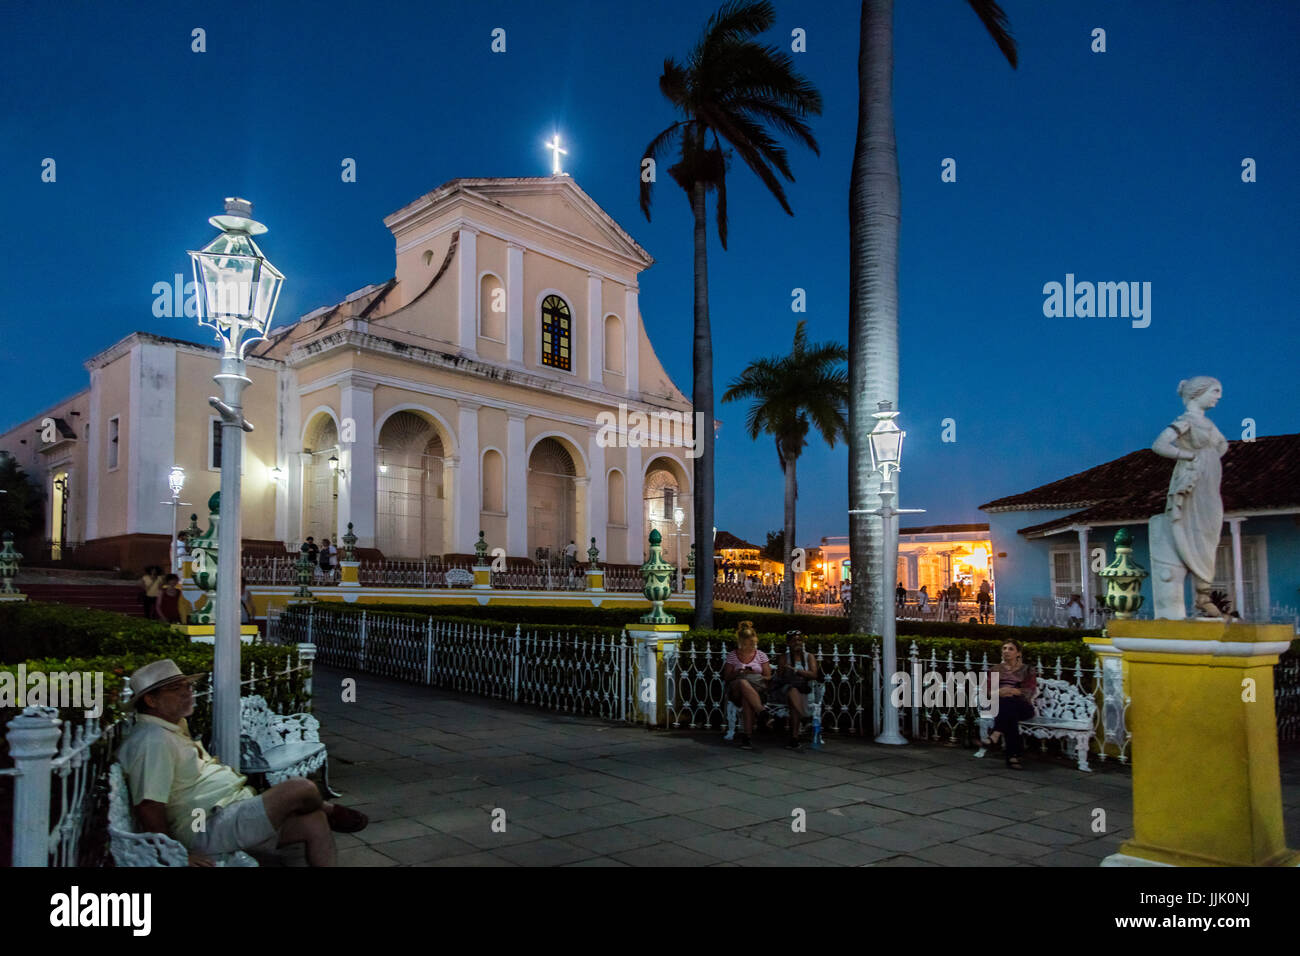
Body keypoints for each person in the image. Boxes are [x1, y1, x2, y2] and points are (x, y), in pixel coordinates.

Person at [116, 659, 368, 867]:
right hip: (204, 824)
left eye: (187, 687)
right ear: (151, 701)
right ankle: (330, 809)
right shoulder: (152, 740)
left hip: (230, 810)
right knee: (300, 788)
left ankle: (324, 814)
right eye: (176, 689)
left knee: (314, 822)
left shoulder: (172, 727)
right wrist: (178, 855)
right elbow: (149, 805)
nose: (187, 694)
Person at [986, 639, 1037, 770]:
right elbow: (988, 691)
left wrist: (1011, 690)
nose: (1006, 651)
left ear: (1018, 653)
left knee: (1009, 704)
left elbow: (1029, 691)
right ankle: (1012, 755)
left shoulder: (1027, 670)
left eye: (1010, 649)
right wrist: (999, 691)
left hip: (1022, 706)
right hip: (1001, 703)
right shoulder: (995, 669)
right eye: (1004, 648)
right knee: (1009, 712)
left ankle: (996, 733)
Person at [722, 621, 771, 751]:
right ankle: (762, 712)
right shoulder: (733, 655)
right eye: (746, 643)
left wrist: (754, 673)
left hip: (756, 689)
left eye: (752, 643)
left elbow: (768, 678)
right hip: (736, 690)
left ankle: (747, 738)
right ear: (741, 642)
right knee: (743, 682)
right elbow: (726, 677)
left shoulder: (761, 655)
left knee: (747, 700)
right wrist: (738, 672)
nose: (749, 646)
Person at [770, 630, 822, 750]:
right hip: (785, 690)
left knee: (794, 699)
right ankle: (804, 719)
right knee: (792, 690)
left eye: (799, 640)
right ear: (788, 643)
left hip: (803, 690)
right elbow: (779, 677)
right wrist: (784, 670)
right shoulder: (784, 657)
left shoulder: (809, 657)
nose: (797, 643)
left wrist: (796, 670)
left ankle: (794, 739)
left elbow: (814, 674)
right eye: (794, 641)